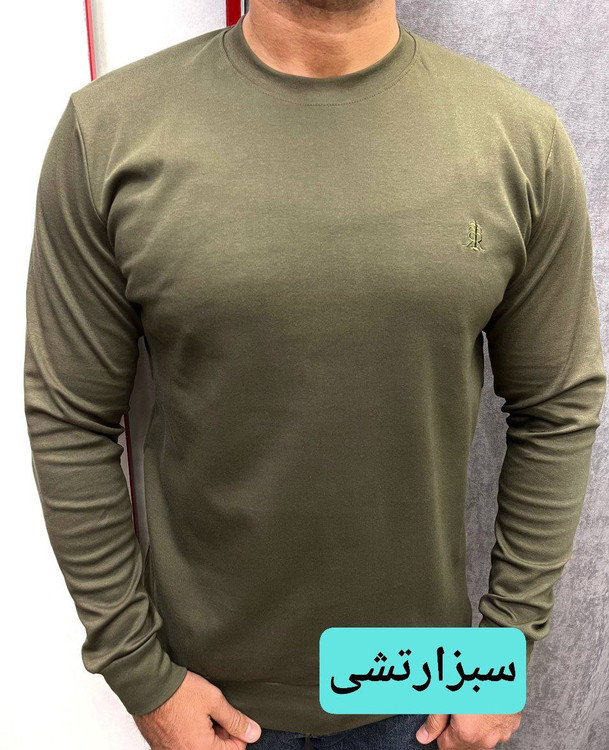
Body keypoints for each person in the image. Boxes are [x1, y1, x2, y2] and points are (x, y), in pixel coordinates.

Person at [23, 0, 606, 747]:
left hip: (420, 688)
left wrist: (502, 653)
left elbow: (558, 406)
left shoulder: (518, 140)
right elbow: (69, 417)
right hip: (208, 698)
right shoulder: (109, 131)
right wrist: (140, 674)